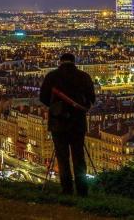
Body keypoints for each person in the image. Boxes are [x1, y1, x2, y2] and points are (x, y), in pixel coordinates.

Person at [40, 53, 95, 196]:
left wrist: (56, 107)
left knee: (62, 158)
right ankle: (82, 191)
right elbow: (92, 99)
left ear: (60, 62)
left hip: (58, 123)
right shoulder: (84, 77)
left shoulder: (52, 76)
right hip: (78, 122)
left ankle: (67, 190)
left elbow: (43, 98)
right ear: (74, 62)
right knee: (79, 157)